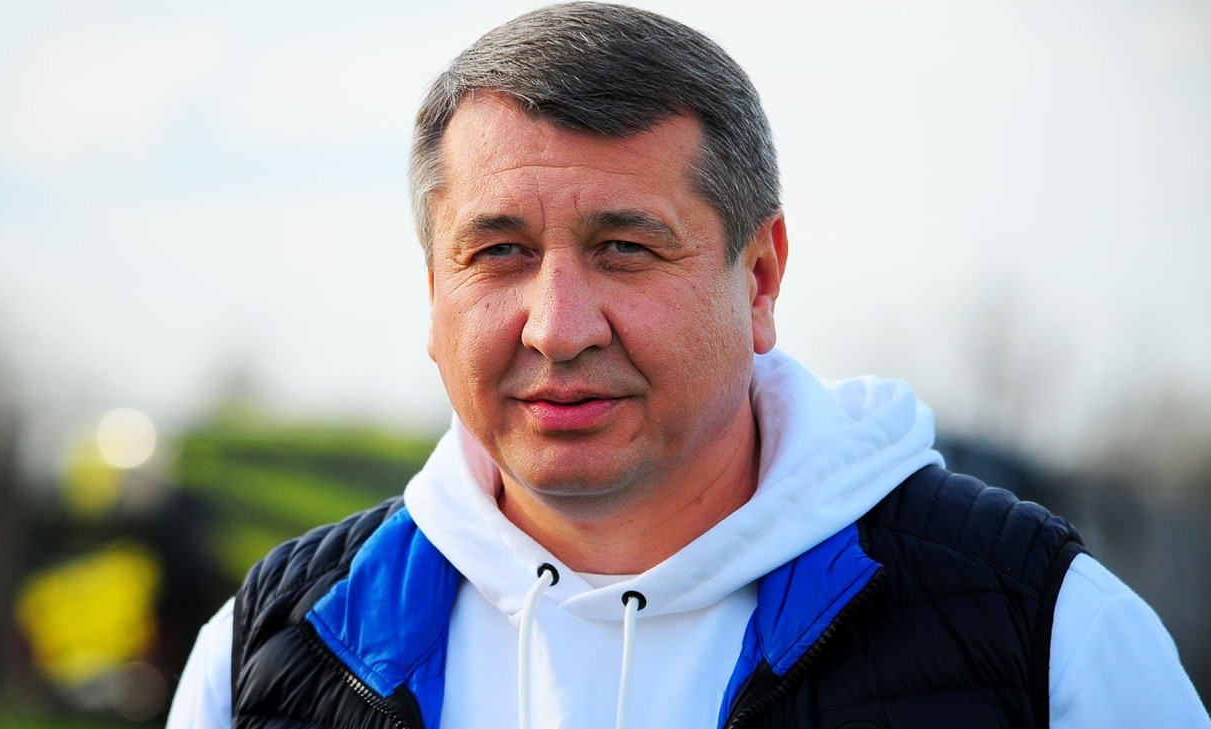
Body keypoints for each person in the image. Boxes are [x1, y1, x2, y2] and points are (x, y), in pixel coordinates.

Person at [166, 3, 1209, 728]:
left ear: (758, 277)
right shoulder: (267, 656)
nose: (557, 328)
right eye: (500, 253)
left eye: (625, 247)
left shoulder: (1041, 632)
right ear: (432, 290)